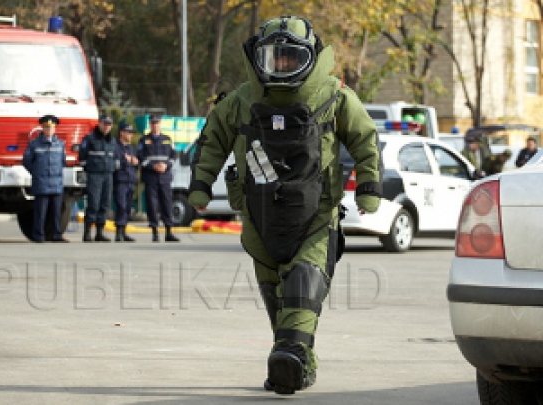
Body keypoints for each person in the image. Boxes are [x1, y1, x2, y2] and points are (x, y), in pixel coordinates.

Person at [188, 16, 381, 395]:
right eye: (272, 58)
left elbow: (364, 138)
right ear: (257, 59)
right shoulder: (242, 100)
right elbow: (212, 141)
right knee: (277, 295)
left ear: (308, 58)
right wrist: (201, 185)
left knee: (302, 286)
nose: (281, 66)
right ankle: (294, 363)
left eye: (289, 58)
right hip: (259, 218)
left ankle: (290, 353)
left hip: (315, 216)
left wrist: (369, 186)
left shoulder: (334, 95)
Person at [22, 114, 67, 243]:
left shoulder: (60, 144)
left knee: (56, 212)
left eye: (51, 127)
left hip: (56, 183)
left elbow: (62, 161)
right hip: (41, 183)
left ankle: (56, 235)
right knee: (40, 212)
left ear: (55, 129)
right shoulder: (35, 144)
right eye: (46, 127)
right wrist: (36, 172)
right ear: (42, 128)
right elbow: (26, 161)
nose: (49, 130)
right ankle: (38, 235)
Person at [136, 114, 179, 242]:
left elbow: (174, 156)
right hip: (151, 177)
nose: (155, 125)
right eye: (153, 123)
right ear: (150, 124)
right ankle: (155, 232)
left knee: (167, 203)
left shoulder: (167, 139)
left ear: (160, 124)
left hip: (165, 177)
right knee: (152, 205)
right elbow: (140, 158)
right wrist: (152, 166)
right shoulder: (144, 140)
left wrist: (166, 165)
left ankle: (169, 232)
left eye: (157, 123)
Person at [80, 114, 116, 242]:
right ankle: (87, 233)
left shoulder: (112, 140)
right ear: (99, 123)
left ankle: (99, 232)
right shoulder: (89, 138)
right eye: (104, 124)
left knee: (105, 204)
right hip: (94, 174)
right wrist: (88, 171)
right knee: (93, 204)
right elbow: (82, 157)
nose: (107, 127)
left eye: (109, 124)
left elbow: (115, 157)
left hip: (108, 175)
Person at [113, 121, 138, 242]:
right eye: (128, 132)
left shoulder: (131, 148)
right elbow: (115, 163)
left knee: (128, 207)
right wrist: (125, 161)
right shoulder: (116, 146)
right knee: (121, 206)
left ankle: (124, 231)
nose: (131, 135)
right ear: (121, 133)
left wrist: (134, 162)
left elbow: (134, 163)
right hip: (120, 180)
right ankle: (118, 232)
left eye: (131, 133)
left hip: (130, 180)